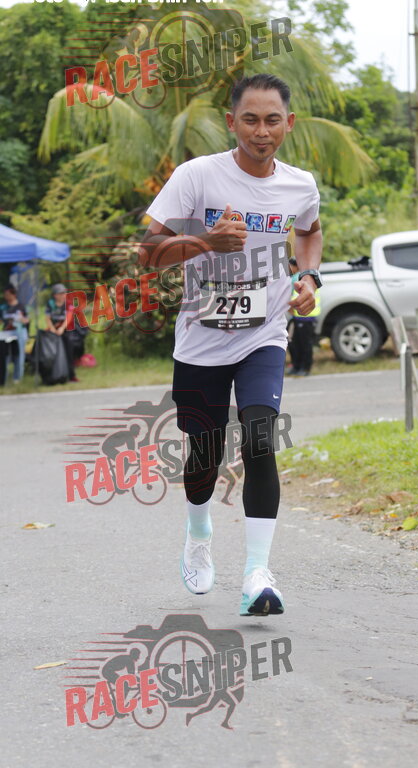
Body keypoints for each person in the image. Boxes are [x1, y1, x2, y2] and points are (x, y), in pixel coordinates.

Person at [140, 73, 323, 616]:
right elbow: (147, 252)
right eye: (250, 119)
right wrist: (203, 241)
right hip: (201, 340)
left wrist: (309, 277)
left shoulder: (300, 185)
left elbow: (309, 231)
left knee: (261, 436)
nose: (261, 131)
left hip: (264, 333)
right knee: (205, 454)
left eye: (272, 120)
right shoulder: (197, 176)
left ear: (288, 124)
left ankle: (257, 575)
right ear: (231, 122)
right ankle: (199, 532)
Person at [287, 256, 320, 376]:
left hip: (306, 316)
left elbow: (294, 296)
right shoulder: (305, 276)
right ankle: (298, 367)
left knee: (304, 344)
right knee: (297, 343)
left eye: (290, 266)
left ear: (295, 266)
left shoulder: (299, 278)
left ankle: (305, 368)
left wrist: (290, 307)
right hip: (299, 316)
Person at [44, 283, 78, 382]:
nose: (64, 295)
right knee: (53, 353)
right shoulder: (50, 304)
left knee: (69, 352)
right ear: (55, 295)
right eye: (61, 293)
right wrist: (53, 329)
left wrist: (62, 328)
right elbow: (47, 318)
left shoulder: (69, 303)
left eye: (64, 293)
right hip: (53, 330)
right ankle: (54, 375)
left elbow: (69, 317)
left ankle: (71, 376)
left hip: (65, 330)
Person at [1, 284, 29, 383]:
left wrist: (20, 318)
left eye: (8, 294)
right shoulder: (3, 307)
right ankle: (3, 377)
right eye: (5, 295)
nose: (6, 297)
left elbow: (27, 320)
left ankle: (17, 378)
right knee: (4, 355)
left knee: (19, 355)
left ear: (14, 294)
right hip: (6, 333)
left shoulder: (21, 306)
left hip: (19, 332)